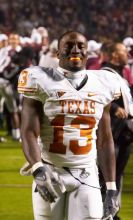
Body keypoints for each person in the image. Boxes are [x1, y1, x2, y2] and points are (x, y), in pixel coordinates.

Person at [18, 31, 120, 220]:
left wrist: (112, 187)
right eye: (69, 45)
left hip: (87, 172)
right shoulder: (40, 79)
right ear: (57, 54)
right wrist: (37, 168)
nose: (75, 50)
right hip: (50, 170)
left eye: (81, 46)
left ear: (87, 53)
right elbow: (29, 131)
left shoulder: (104, 83)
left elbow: (105, 139)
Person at [100, 41, 133, 220]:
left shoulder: (121, 74)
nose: (128, 55)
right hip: (110, 134)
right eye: (124, 52)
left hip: (123, 135)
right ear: (115, 55)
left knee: (118, 175)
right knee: (106, 175)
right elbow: (96, 96)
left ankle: (113, 213)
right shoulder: (103, 74)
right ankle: (103, 213)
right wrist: (114, 107)